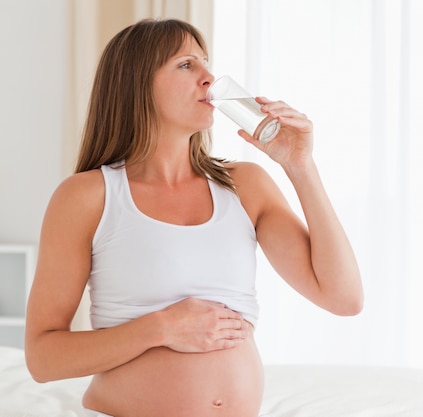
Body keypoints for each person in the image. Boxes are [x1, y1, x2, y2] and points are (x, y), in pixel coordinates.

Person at [24, 18, 363, 417]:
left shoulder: (245, 185)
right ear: (137, 84)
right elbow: (43, 358)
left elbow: (344, 298)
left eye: (206, 62)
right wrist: (161, 328)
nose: (210, 78)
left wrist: (300, 166)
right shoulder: (87, 196)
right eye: (187, 65)